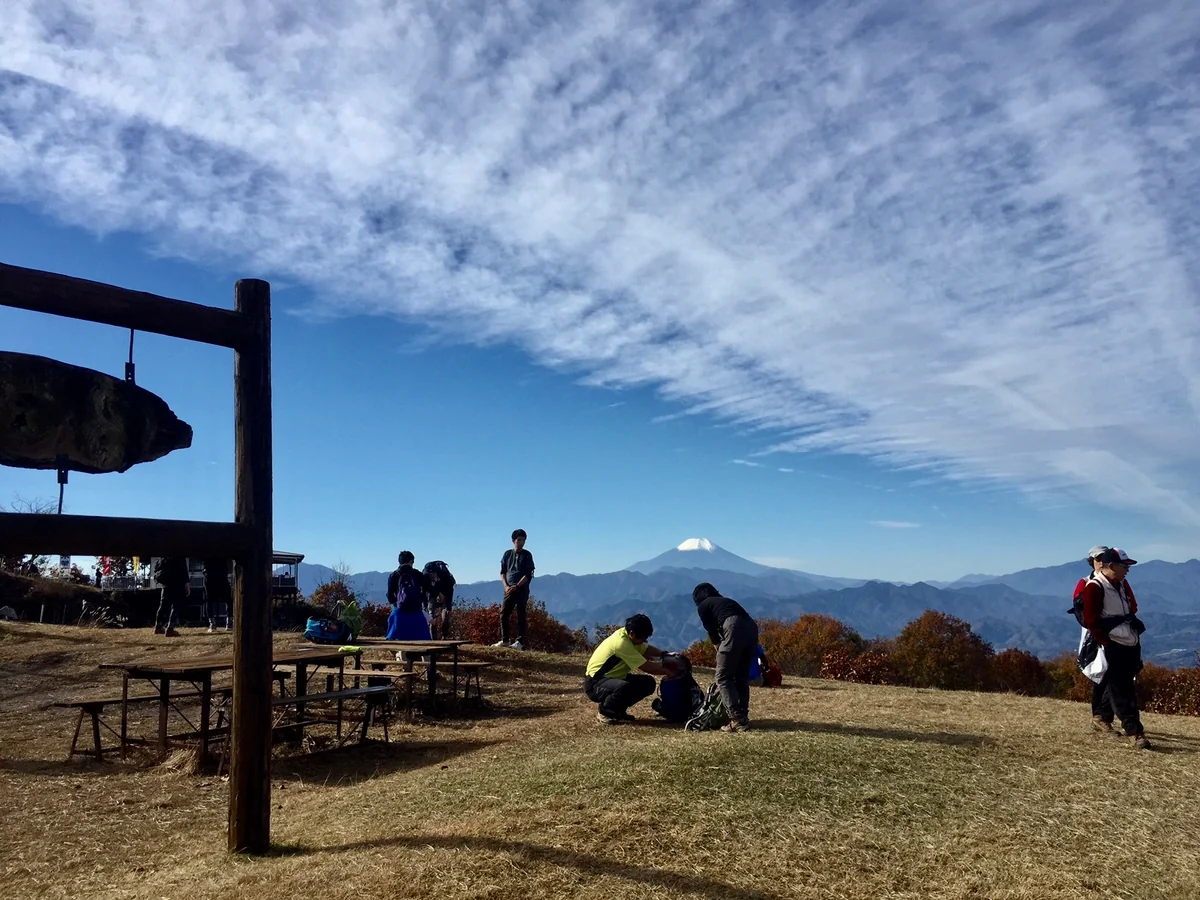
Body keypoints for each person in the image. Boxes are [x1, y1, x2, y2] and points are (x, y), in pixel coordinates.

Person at [1079, 548, 1150, 750]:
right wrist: (1106, 643)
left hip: (1129, 642)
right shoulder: (1094, 587)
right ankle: (1135, 732)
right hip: (1114, 644)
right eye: (1124, 566)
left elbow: (1131, 608)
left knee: (1122, 686)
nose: (1127, 570)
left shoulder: (1120, 584)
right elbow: (1092, 620)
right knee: (1123, 690)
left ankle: (1101, 716)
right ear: (1112, 566)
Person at [584, 614, 677, 725]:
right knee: (623, 687)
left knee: (648, 683)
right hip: (595, 683)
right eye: (642, 638)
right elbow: (645, 666)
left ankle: (617, 711)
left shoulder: (630, 637)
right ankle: (605, 713)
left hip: (613, 678)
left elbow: (646, 650)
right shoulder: (621, 643)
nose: (644, 641)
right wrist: (667, 671)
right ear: (632, 634)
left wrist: (665, 654)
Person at [692, 582, 759, 733]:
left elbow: (712, 632)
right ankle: (743, 716)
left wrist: (719, 650)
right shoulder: (726, 601)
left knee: (723, 676)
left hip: (733, 626)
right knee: (741, 676)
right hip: (752, 628)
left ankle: (736, 717)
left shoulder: (703, 606)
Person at [495, 529, 535, 650]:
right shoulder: (507, 554)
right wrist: (506, 586)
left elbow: (528, 574)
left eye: (523, 540)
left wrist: (517, 586)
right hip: (508, 589)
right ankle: (505, 640)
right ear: (513, 541)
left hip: (521, 589)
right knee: (504, 614)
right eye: (519, 540)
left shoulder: (527, 555)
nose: (521, 542)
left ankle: (520, 642)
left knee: (521, 614)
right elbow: (502, 572)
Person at [385, 550, 433, 641]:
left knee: (392, 633)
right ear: (411, 561)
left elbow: (390, 594)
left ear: (399, 561)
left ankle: (400, 653)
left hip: (400, 611)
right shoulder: (417, 574)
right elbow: (428, 588)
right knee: (423, 637)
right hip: (416, 610)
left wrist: (396, 604)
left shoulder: (394, 575)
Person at [153, 557, 190, 637]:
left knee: (163, 604)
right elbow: (183, 567)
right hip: (177, 580)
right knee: (176, 605)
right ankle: (170, 628)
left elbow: (158, 566)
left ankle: (158, 626)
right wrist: (186, 583)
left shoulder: (163, 553)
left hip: (165, 581)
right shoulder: (178, 553)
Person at [422, 560, 457, 640]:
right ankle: (433, 638)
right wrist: (425, 607)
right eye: (430, 574)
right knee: (431, 616)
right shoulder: (424, 578)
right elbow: (423, 593)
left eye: (433, 574)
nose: (432, 576)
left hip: (445, 593)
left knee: (446, 616)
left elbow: (450, 590)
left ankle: (444, 637)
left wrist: (448, 607)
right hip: (432, 594)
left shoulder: (446, 577)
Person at [203, 558, 233, 633]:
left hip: (210, 574)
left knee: (209, 600)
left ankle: (212, 624)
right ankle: (229, 623)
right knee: (228, 599)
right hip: (221, 574)